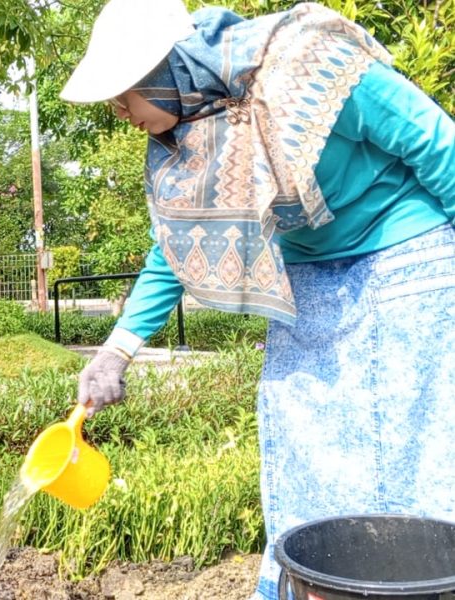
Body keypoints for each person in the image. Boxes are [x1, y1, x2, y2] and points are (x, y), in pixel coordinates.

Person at [61, 0, 455, 597]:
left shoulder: (308, 64)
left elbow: (435, 143)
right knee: (302, 441)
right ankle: (304, 587)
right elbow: (173, 246)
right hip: (307, 283)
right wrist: (116, 351)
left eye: (123, 95)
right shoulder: (186, 138)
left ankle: (413, 585)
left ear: (164, 70)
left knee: (407, 438)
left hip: (407, 256)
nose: (119, 112)